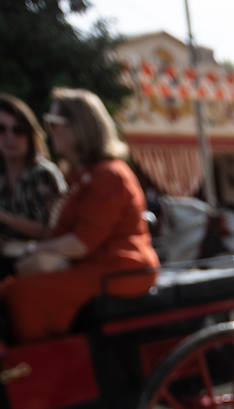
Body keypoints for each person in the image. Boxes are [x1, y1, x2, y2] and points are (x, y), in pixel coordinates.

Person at [1, 88, 158, 343]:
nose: (50, 131)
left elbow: (81, 243)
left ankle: (37, 371)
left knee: (21, 295)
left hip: (119, 269)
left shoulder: (109, 175)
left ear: (78, 127)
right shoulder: (82, 174)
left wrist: (26, 249)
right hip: (94, 266)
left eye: (55, 124)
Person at [0, 95, 66, 264]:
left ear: (30, 134)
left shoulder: (43, 174)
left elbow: (53, 230)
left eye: (18, 130)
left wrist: (5, 218)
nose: (9, 137)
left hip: (34, 261)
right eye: (2, 129)